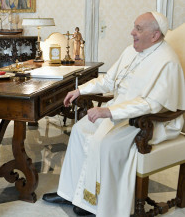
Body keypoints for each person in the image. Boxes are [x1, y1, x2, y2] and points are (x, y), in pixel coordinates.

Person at [42, 11, 185, 216]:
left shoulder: (167, 61)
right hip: (120, 111)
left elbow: (151, 104)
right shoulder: (131, 51)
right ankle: (69, 191)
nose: (132, 32)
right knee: (80, 130)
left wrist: (108, 111)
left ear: (155, 35)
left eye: (138, 29)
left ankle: (98, 203)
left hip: (150, 121)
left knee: (107, 143)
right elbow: (108, 80)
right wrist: (80, 90)